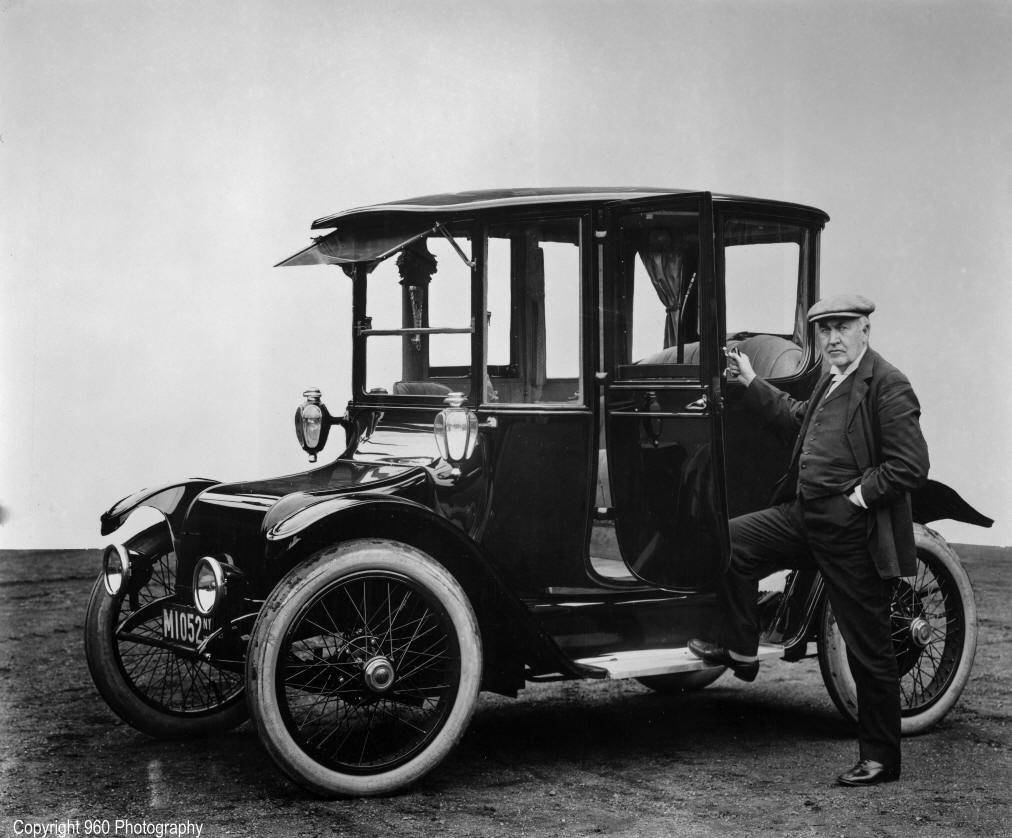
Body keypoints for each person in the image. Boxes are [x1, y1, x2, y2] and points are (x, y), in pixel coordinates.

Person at [688, 293, 929, 787]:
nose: (833, 338)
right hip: (804, 515)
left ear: (865, 329)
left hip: (851, 529)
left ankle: (881, 757)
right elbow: (800, 419)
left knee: (868, 646)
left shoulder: (888, 383)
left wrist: (858, 497)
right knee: (729, 542)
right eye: (825, 330)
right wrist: (753, 383)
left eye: (843, 328)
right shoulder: (830, 378)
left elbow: (910, 466)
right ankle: (741, 649)